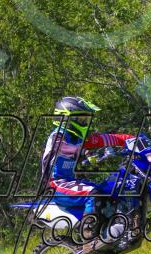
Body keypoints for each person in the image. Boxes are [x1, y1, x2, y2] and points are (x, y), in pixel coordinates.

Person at [40, 96, 134, 241]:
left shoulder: (77, 138)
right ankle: (88, 235)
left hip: (68, 183)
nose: (84, 122)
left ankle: (109, 230)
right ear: (66, 118)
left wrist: (130, 139)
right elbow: (64, 148)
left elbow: (104, 139)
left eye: (85, 119)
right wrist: (84, 150)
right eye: (81, 119)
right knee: (93, 193)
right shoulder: (57, 136)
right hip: (54, 185)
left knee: (107, 191)